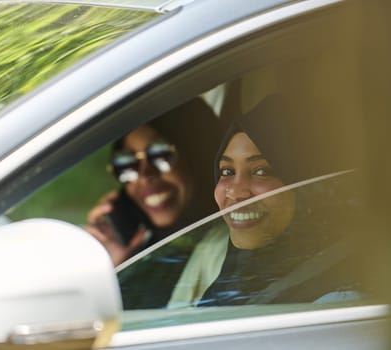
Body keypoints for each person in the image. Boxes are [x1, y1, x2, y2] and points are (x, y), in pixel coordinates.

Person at [172, 94, 366, 307]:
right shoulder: (239, 283)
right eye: (227, 171)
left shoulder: (339, 303)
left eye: (261, 171)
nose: (235, 192)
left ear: (310, 188)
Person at [86, 97, 223, 267]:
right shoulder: (151, 259)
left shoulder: (232, 244)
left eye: (160, 154)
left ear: (198, 152)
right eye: (126, 163)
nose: (144, 175)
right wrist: (117, 264)